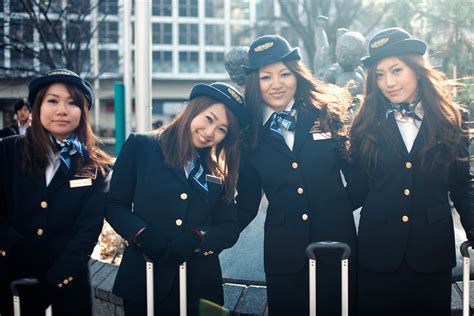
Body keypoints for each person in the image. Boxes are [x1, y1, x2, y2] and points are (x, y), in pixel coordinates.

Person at [350, 27, 474, 316]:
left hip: (432, 253)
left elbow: (461, 184)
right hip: (377, 251)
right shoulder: (364, 123)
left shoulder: (453, 119)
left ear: (417, 69)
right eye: (379, 74)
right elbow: (356, 187)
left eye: (396, 70)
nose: (388, 82)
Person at [236, 34, 357, 315]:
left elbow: (359, 178)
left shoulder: (326, 114)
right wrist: (209, 236)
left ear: (297, 75)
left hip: (336, 243)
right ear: (255, 83)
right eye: (266, 77)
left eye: (284, 74)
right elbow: (246, 202)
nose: (276, 84)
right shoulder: (249, 134)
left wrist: (334, 209)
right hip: (284, 251)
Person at [106, 82, 246, 315]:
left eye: (222, 129)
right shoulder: (142, 146)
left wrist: (198, 238)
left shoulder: (219, 171)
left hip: (199, 287)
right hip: (146, 277)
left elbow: (229, 227)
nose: (211, 132)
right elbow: (114, 204)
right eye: (209, 119)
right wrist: (141, 233)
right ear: (193, 109)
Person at [0, 69, 112, 316]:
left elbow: (87, 230)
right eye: (53, 100)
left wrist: (52, 282)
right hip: (12, 281)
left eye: (72, 103)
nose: (62, 110)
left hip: (68, 287)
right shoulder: (7, 152)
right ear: (37, 106)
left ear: (83, 114)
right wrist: (17, 252)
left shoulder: (92, 165)